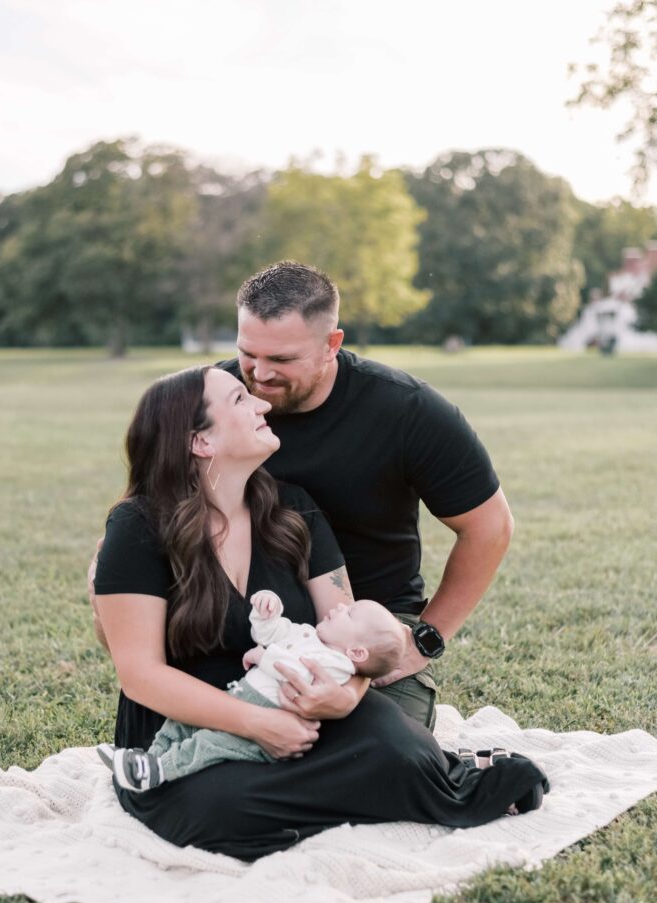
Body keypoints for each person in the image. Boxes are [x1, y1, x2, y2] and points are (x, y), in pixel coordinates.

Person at [92, 364, 547, 861]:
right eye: (242, 401)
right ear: (200, 441)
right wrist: (256, 724)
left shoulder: (294, 510)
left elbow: (348, 628)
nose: (263, 404)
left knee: (396, 745)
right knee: (218, 807)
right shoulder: (137, 527)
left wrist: (344, 698)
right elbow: (141, 675)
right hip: (186, 728)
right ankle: (373, 790)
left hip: (298, 699)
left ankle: (405, 777)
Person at [212, 260, 516, 733]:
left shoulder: (406, 410)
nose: (260, 374)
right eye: (248, 352)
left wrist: (426, 639)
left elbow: (489, 526)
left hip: (364, 627)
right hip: (250, 618)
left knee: (381, 756)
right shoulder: (213, 400)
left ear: (333, 344)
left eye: (283, 360)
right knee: (220, 749)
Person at [96, 589, 408, 792]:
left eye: (350, 614)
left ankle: (159, 770)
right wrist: (267, 612)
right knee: (181, 721)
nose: (341, 606)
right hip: (244, 699)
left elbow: (295, 670)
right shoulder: (309, 634)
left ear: (357, 654)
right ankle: (146, 758)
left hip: (267, 722)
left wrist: (265, 656)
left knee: (208, 742)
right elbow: (272, 633)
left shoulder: (337, 666)